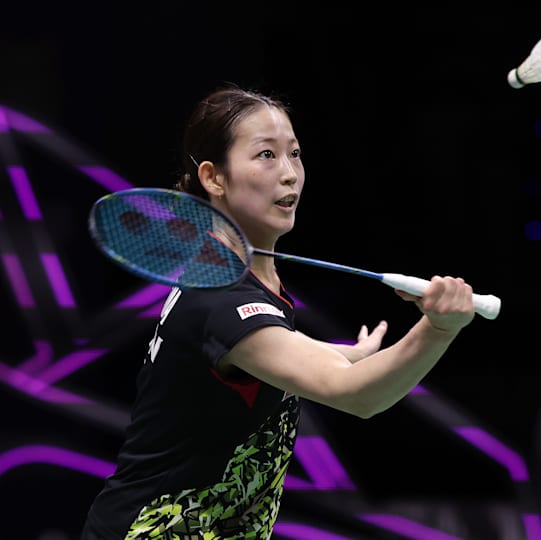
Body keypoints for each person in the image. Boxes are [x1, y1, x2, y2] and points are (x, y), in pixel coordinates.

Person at [80, 84, 477, 539]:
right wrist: (439, 329)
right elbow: (356, 397)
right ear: (214, 177)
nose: (290, 174)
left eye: (295, 153)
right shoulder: (221, 297)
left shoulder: (232, 279)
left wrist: (348, 353)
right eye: (266, 155)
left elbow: (272, 354)